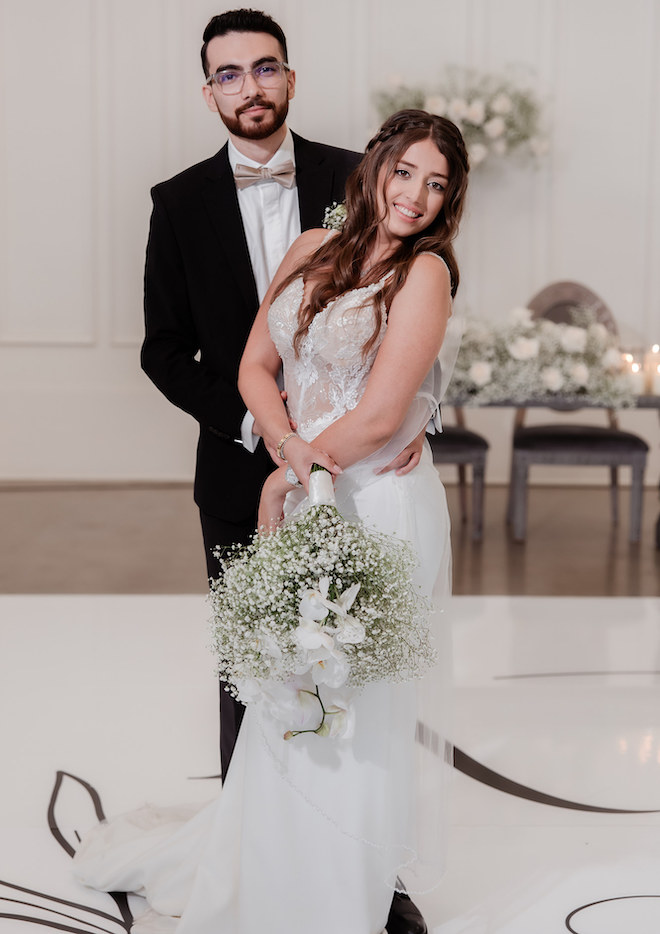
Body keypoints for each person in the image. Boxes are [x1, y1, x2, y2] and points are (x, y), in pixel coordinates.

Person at [73, 109, 469, 934]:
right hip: (311, 477)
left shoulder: (424, 273)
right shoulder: (309, 250)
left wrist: (290, 480)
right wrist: (290, 458)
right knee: (289, 688)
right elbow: (255, 365)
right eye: (406, 172)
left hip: (375, 505)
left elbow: (382, 412)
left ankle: (347, 884)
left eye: (437, 184)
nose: (416, 196)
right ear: (376, 167)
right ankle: (273, 860)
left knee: (357, 699)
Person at [139, 9, 425, 804]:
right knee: (254, 669)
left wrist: (419, 414)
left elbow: (416, 306)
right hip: (239, 475)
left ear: (290, 78)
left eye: (265, 68)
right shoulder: (178, 203)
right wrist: (259, 429)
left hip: (358, 470)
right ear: (209, 94)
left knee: (360, 669)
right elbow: (162, 350)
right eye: (229, 74)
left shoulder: (360, 177)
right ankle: (250, 845)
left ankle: (373, 869)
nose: (250, 87)